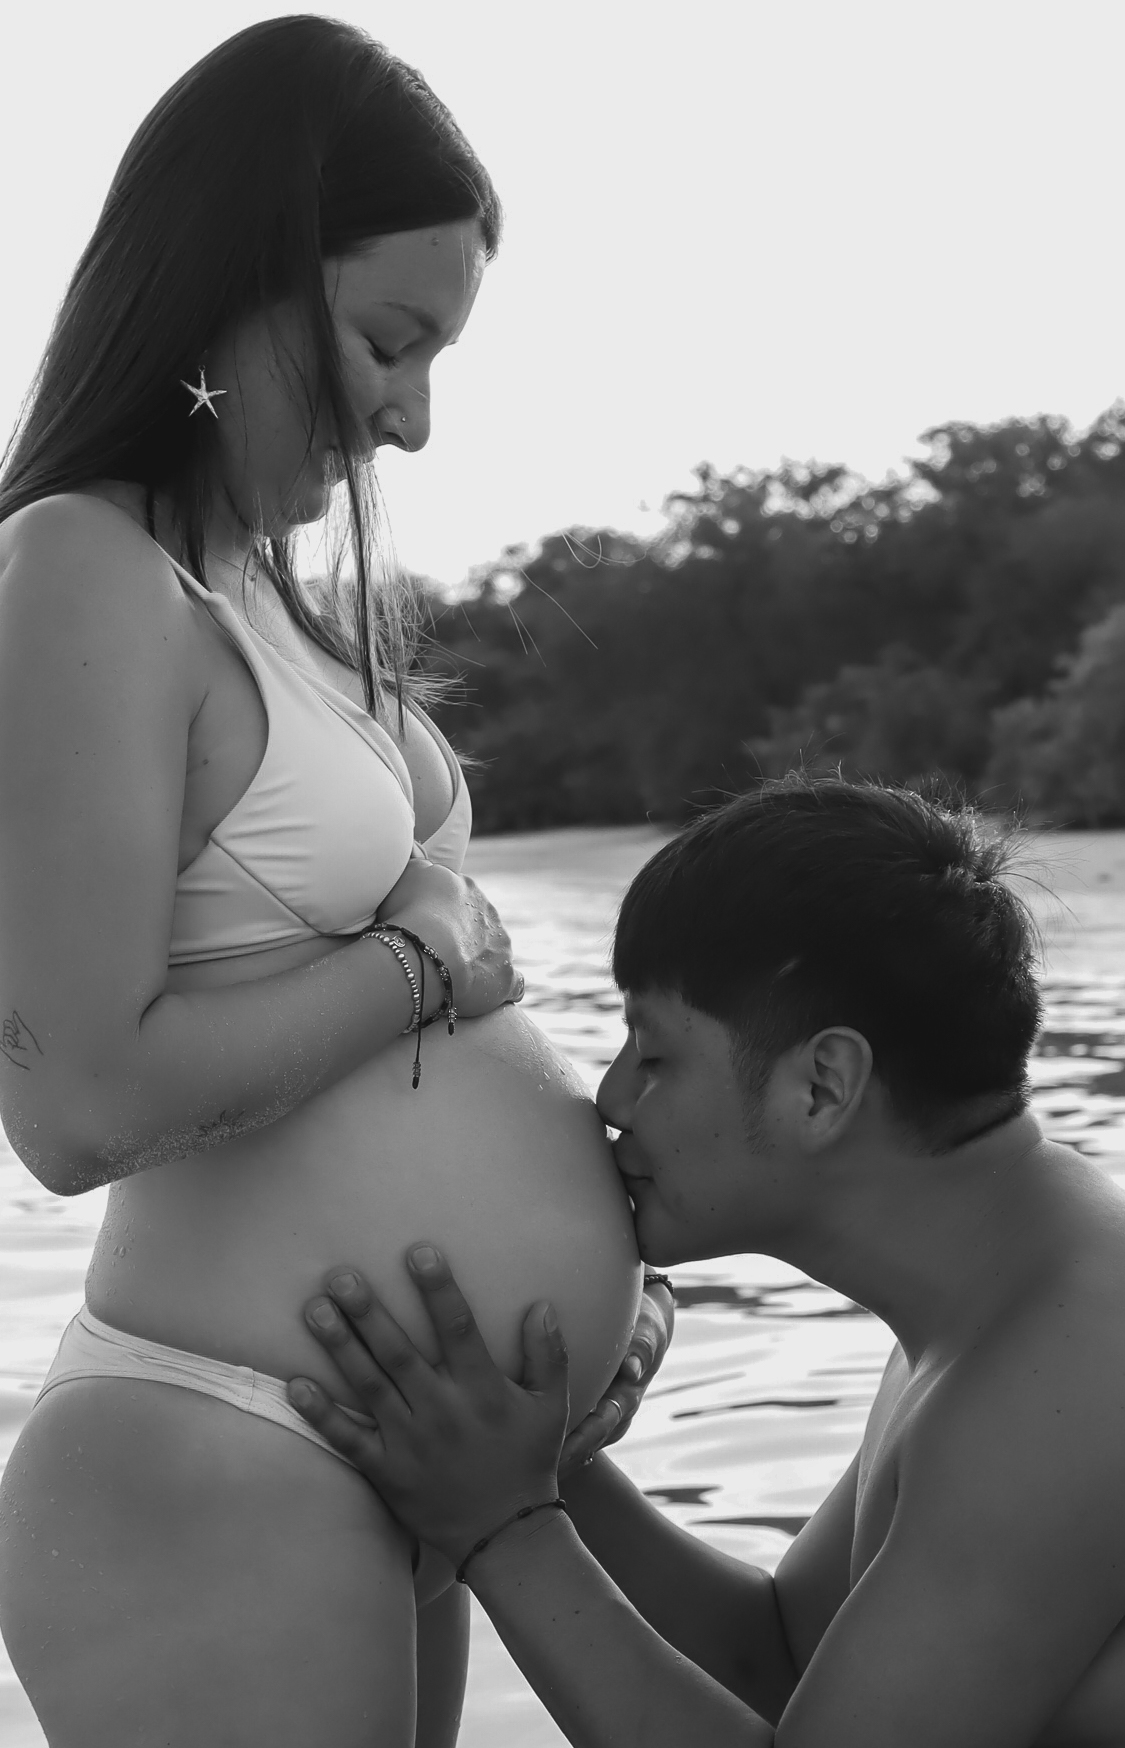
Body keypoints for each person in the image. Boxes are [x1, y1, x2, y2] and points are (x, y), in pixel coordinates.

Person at [0, 19, 656, 1748]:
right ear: (237, 277)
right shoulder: (78, 569)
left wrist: (607, 1303)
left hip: (403, 1451)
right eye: (388, 342)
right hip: (222, 1443)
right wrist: (421, 961)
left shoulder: (262, 600)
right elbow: (73, 1106)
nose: (414, 419)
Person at [293, 776, 1125, 1748]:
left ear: (821, 1086)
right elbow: (782, 1660)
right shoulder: (1006, 1290)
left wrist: (504, 1534)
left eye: (654, 1054)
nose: (611, 1098)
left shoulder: (1074, 1370)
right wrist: (533, 1461)